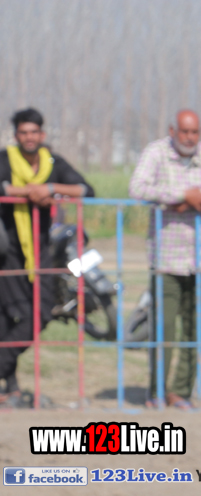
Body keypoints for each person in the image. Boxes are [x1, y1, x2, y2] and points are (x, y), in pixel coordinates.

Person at [129, 109, 201, 409]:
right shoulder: (156, 153)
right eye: (184, 132)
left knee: (197, 327)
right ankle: (156, 390)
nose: (190, 138)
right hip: (166, 256)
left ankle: (180, 391)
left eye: (195, 132)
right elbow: (138, 188)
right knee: (163, 327)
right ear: (173, 131)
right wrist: (180, 195)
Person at [0, 108, 95, 406]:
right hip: (7, 249)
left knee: (40, 312)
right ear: (16, 135)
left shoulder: (52, 162)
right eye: (23, 132)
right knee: (8, 315)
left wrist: (50, 188)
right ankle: (11, 387)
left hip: (40, 248)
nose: (29, 137)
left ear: (42, 134)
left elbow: (86, 189)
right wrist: (27, 192)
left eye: (34, 132)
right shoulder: (5, 159)